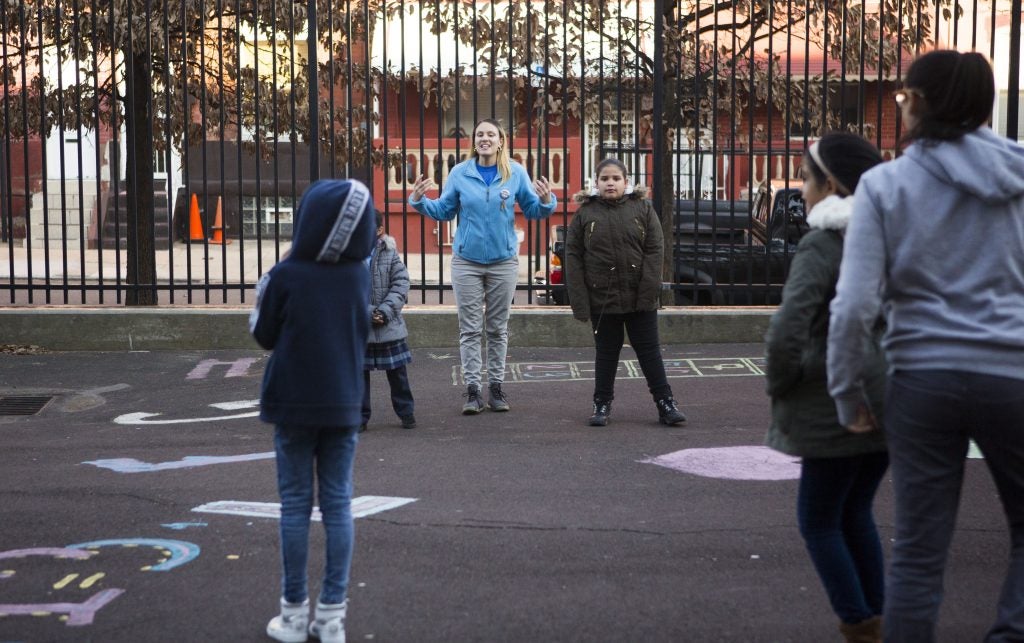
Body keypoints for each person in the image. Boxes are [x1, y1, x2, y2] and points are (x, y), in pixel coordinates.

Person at [827, 50, 1024, 642]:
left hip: (922, 376)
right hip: (1012, 373)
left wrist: (847, 392)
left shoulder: (886, 184)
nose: (900, 104)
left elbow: (855, 305)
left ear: (922, 100)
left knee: (918, 551)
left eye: (903, 95)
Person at [763, 133, 887, 642]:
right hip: (887, 391)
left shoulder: (824, 241)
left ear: (830, 185)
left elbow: (789, 328)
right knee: (856, 512)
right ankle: (873, 617)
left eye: (806, 177)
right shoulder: (888, 232)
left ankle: (858, 623)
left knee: (819, 521)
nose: (802, 188)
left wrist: (782, 383)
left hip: (831, 398)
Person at [250, 179, 376, 643]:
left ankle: (293, 614)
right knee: (338, 505)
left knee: (296, 506)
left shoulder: (286, 274)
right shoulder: (358, 276)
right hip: (343, 402)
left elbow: (263, 335)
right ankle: (332, 617)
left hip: (292, 402)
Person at [409, 118, 556, 414]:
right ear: (473, 141)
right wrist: (418, 200)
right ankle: (473, 390)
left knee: (498, 328)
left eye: (491, 134)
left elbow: (532, 210)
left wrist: (546, 200)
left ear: (501, 140)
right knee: (470, 329)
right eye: (480, 134)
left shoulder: (515, 172)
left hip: (503, 262)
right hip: (466, 262)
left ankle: (497, 388)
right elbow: (444, 210)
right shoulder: (460, 173)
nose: (485, 138)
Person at [563, 157, 687, 427]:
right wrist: (580, 302)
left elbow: (655, 250)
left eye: (616, 178)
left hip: (638, 297)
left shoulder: (642, 209)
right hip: (602, 298)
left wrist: (647, 291)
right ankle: (601, 404)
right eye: (605, 179)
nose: (610, 183)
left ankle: (666, 403)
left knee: (649, 351)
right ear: (595, 183)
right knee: (606, 353)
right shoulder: (585, 214)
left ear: (626, 182)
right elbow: (573, 257)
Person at [362, 209, 416, 432]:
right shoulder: (345, 257)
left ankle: (406, 413)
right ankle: (359, 418)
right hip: (359, 326)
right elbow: (342, 290)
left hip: (389, 323)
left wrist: (384, 311)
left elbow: (401, 284)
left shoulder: (390, 253)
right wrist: (367, 313)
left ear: (379, 230)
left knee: (398, 375)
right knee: (357, 378)